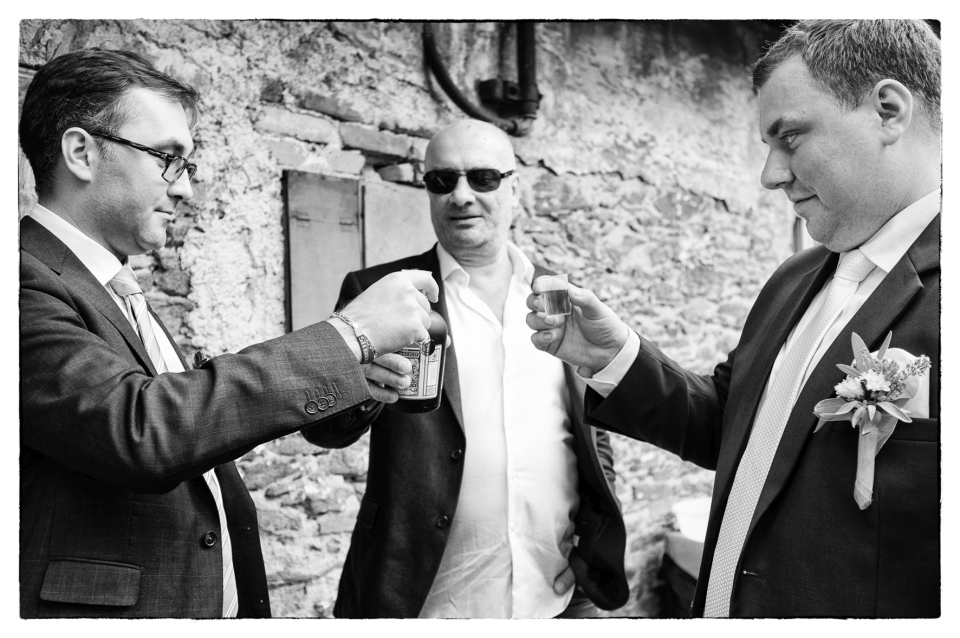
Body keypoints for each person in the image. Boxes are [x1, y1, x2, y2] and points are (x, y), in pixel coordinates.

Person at [526, 19, 940, 618]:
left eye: (789, 137)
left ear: (888, 111)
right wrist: (614, 358)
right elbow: (735, 428)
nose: (770, 175)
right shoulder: (793, 279)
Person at [19, 48, 439, 619]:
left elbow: (193, 421)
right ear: (81, 152)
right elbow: (142, 430)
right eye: (168, 158)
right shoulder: (23, 281)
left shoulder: (112, 286)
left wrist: (351, 368)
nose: (184, 189)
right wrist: (349, 335)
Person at [303, 119, 628, 618]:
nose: (460, 195)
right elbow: (326, 429)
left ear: (514, 188)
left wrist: (589, 544)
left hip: (556, 593)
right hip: (425, 600)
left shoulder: (560, 295)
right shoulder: (381, 291)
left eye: (483, 178)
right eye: (442, 180)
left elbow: (591, 429)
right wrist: (362, 381)